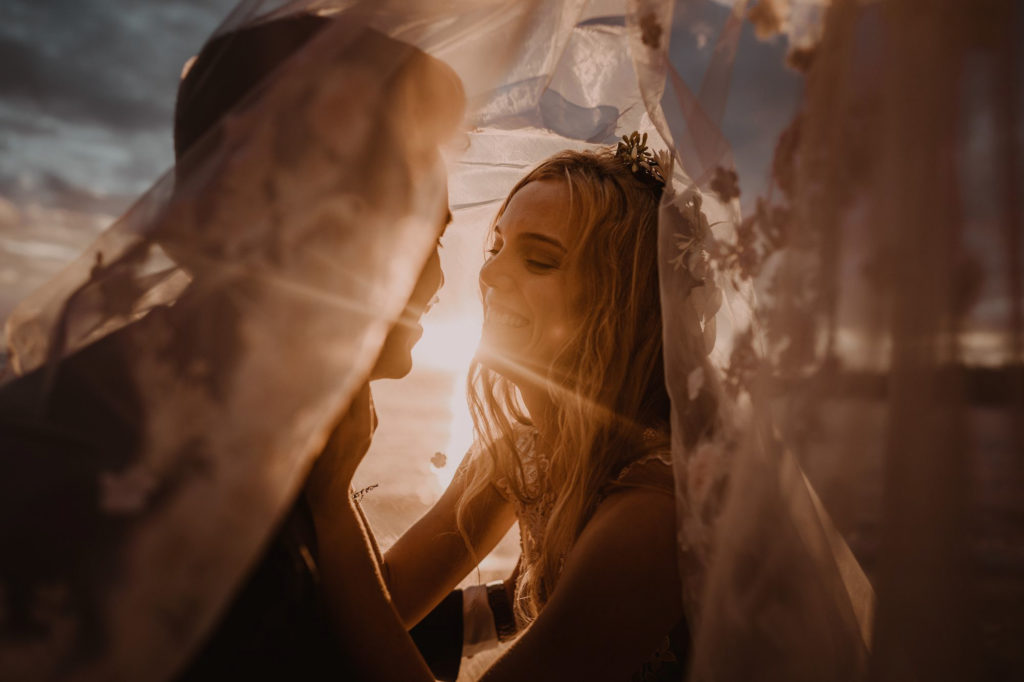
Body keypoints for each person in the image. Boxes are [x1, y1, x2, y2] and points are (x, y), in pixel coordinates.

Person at [0, 11, 466, 681]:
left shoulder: (285, 435)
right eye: (418, 231)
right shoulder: (81, 457)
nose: (439, 276)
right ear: (311, 223)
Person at [309, 141, 713, 680]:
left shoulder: (656, 511)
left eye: (539, 260)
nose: (490, 276)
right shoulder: (521, 455)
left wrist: (333, 506)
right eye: (496, 247)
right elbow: (381, 606)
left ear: (620, 305)